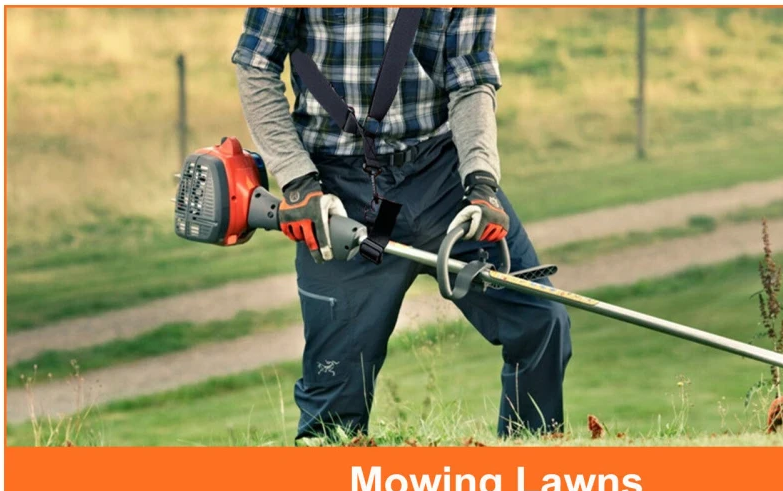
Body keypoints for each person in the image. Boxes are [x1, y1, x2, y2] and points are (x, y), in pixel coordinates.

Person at [232, 7, 571, 440]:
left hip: (442, 176)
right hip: (340, 187)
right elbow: (256, 63)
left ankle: (530, 472)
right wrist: (298, 181)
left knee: (540, 322)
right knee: (335, 398)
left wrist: (481, 181)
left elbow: (471, 78)